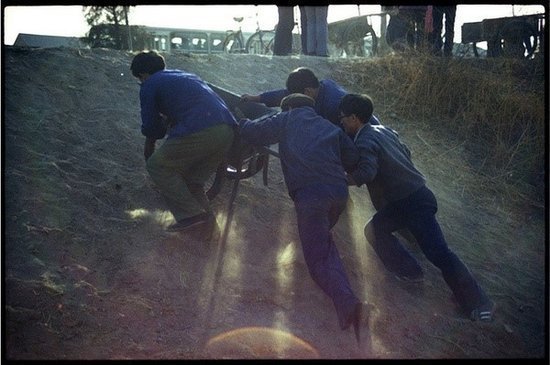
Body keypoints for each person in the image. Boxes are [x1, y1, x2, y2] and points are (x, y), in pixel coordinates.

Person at [339, 93, 495, 322]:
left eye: (343, 117)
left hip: (413, 202)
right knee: (374, 230)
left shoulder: (364, 139)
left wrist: (340, 178)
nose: (341, 122)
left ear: (354, 118)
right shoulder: (385, 131)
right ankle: (410, 273)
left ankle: (480, 303)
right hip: (409, 199)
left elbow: (366, 173)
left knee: (439, 253)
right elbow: (407, 152)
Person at [239, 93, 367, 343]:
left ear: (288, 107)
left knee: (317, 257)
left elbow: (254, 133)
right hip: (338, 193)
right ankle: (345, 297)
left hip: (312, 194)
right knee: (323, 246)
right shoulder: (328, 126)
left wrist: (240, 119)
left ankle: (350, 306)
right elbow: (352, 158)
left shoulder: (286, 119)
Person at [130, 51, 237, 233]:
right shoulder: (184, 75)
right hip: (226, 130)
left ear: (143, 75)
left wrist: (152, 143)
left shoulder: (150, 84)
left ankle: (193, 216)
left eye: (139, 79)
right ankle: (210, 232)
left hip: (200, 129)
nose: (141, 82)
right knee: (192, 182)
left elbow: (151, 127)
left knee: (157, 166)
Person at [241, 67, 380, 127]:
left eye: (297, 95)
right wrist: (255, 98)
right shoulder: (318, 86)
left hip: (370, 137)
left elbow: (345, 138)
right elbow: (285, 94)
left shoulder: (333, 106)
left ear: (307, 92)